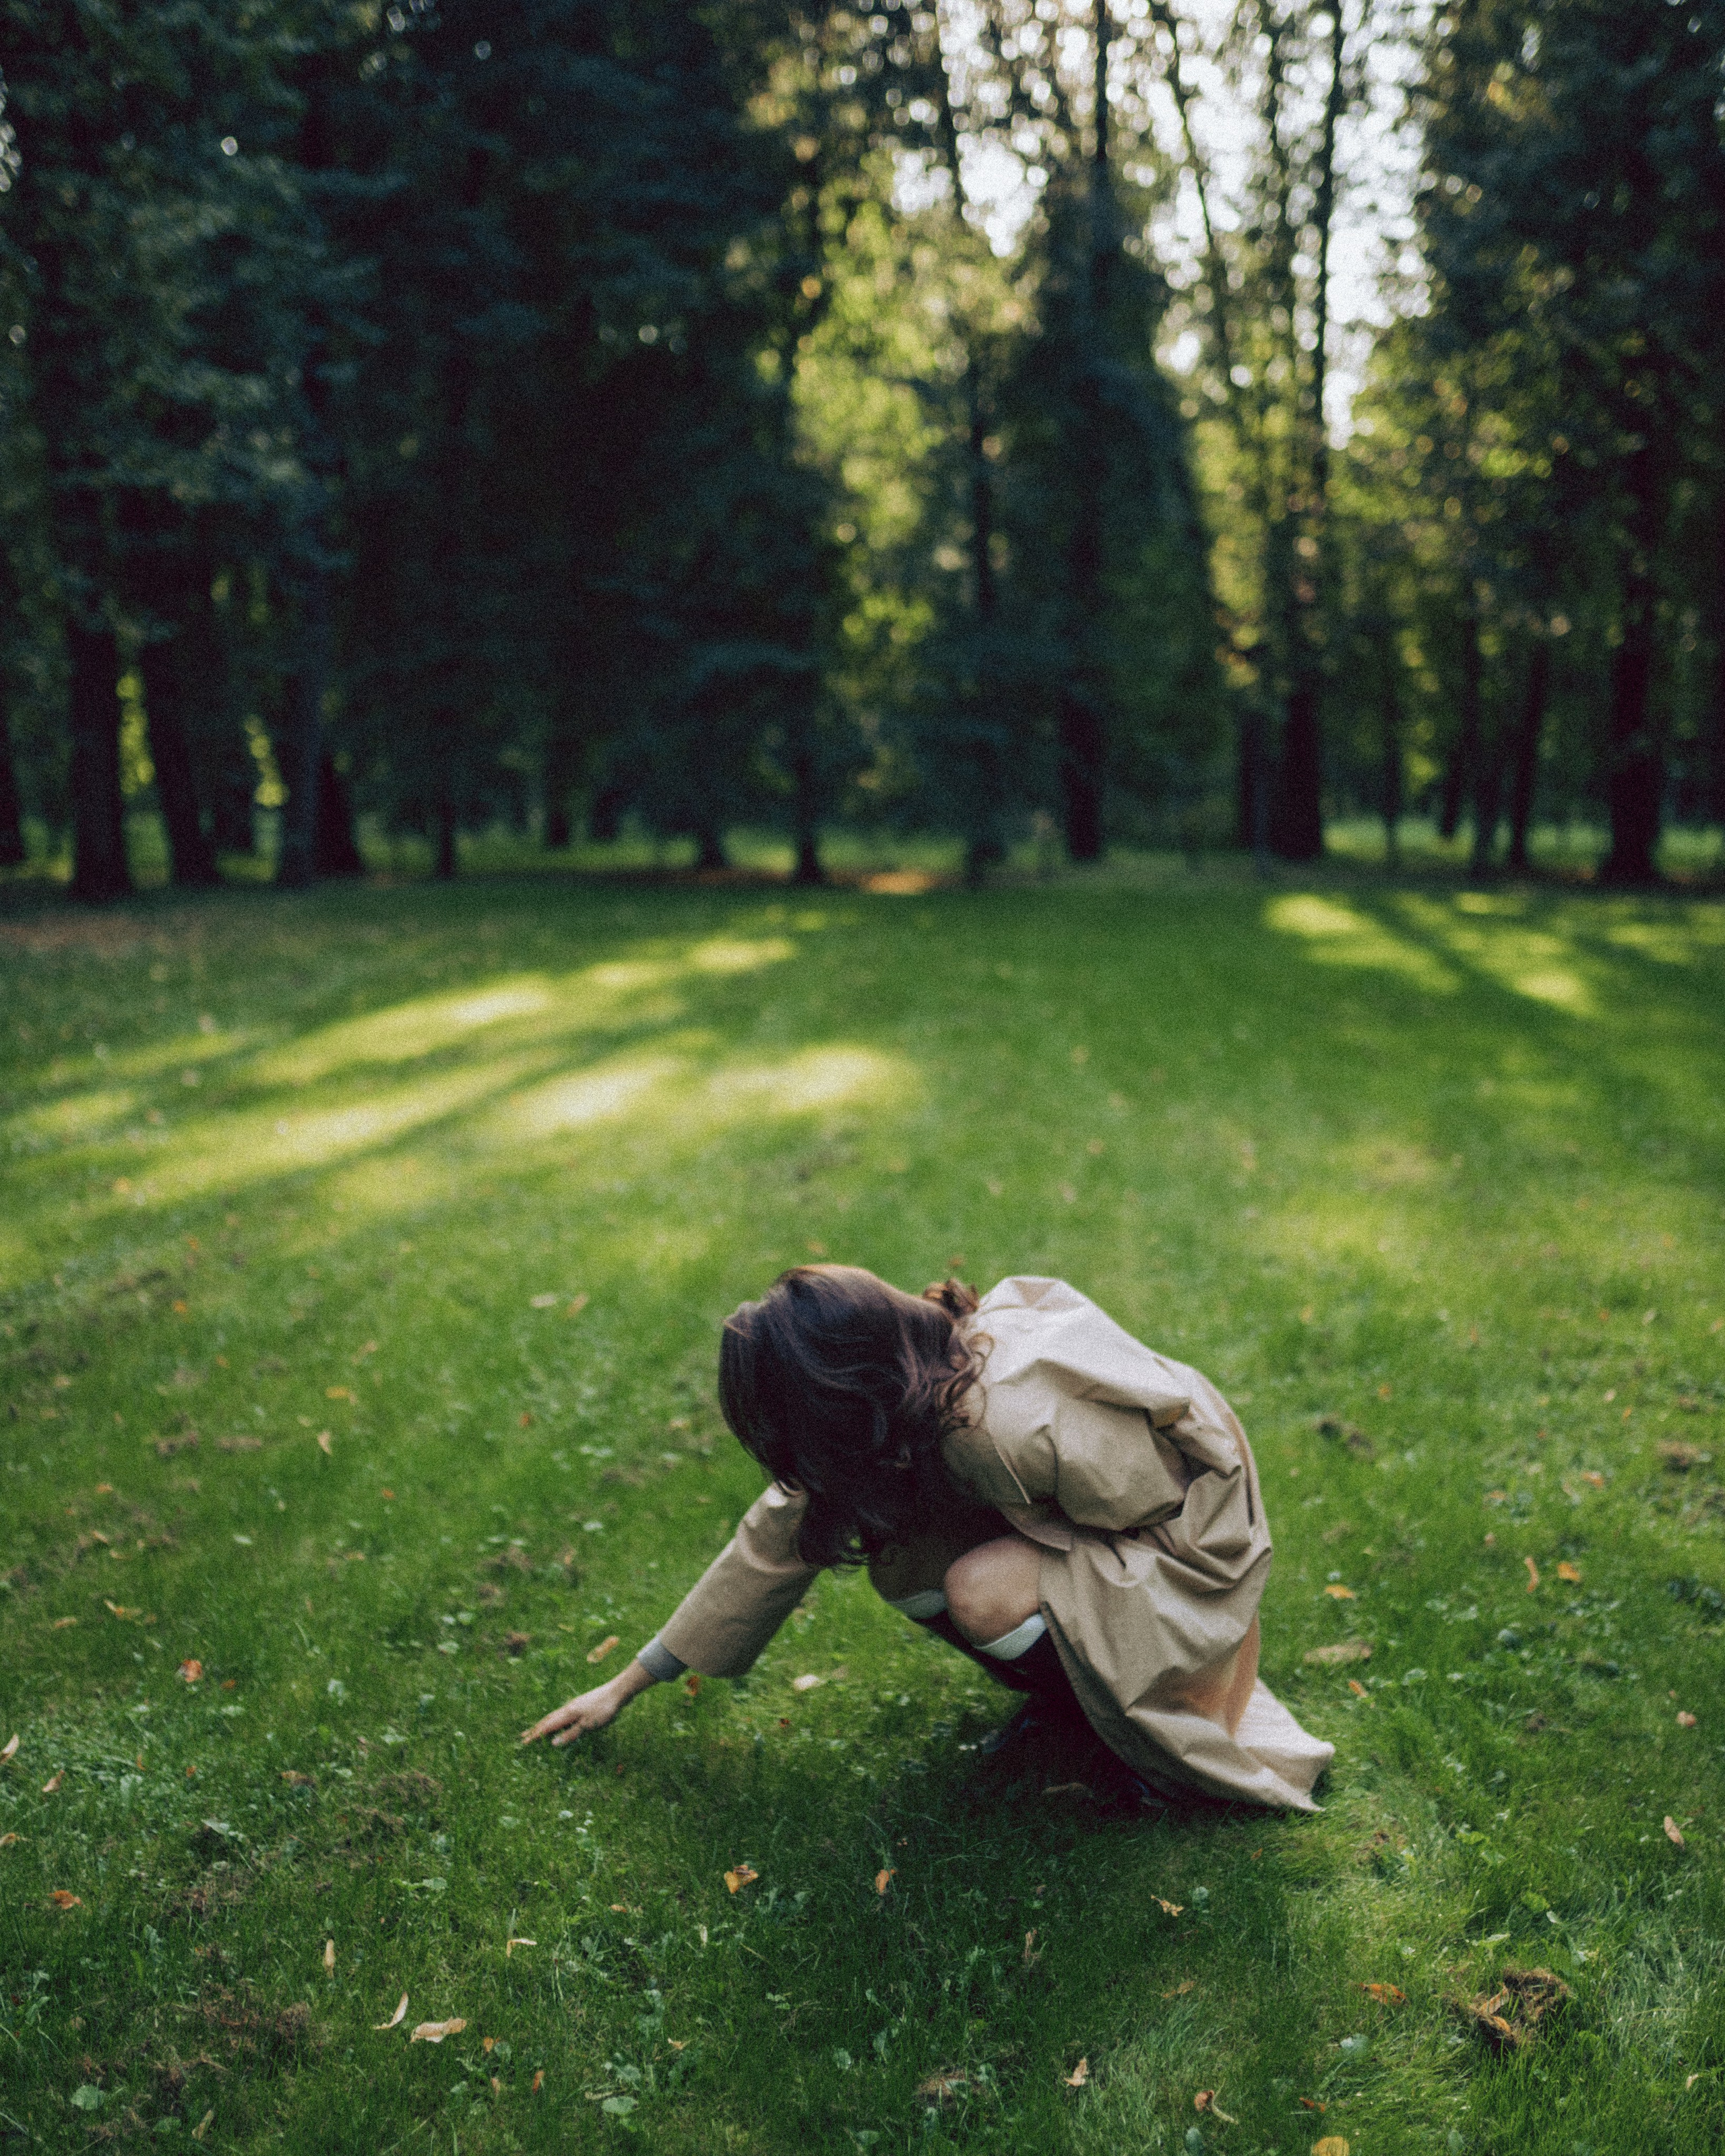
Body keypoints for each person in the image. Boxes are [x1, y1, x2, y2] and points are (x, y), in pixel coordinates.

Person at [521, 1268, 1334, 1811]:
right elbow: (777, 1533)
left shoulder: (1006, 1417)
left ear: (842, 1395)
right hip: (1110, 1532)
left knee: (981, 1588)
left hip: (1186, 1548)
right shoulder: (918, 1389)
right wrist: (627, 1683)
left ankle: (1128, 1746)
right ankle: (1074, 1709)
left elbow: (1163, 1498)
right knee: (899, 1556)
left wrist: (1159, 1657)